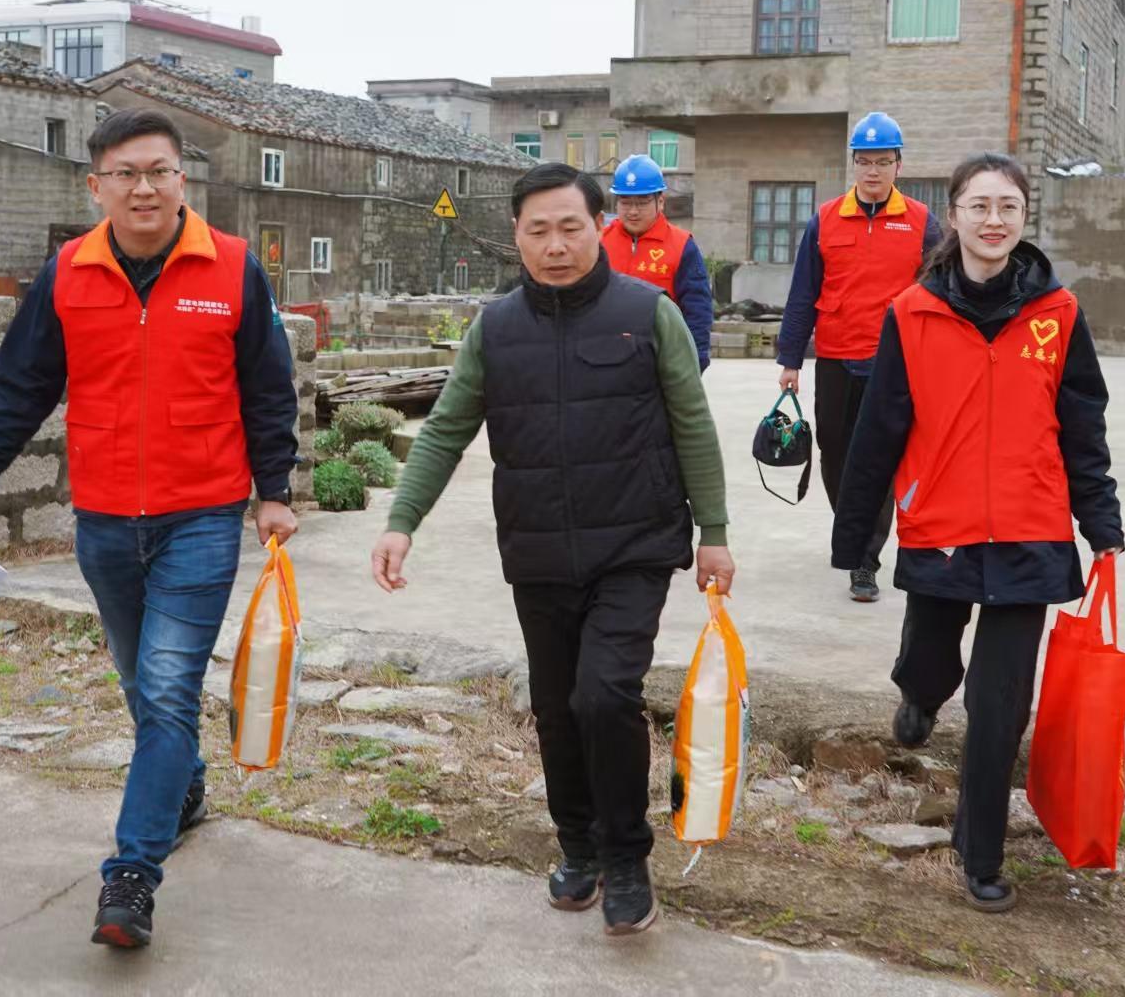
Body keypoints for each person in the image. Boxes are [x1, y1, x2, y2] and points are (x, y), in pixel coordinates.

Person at [0, 108, 299, 950]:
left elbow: (268, 388)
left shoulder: (234, 268)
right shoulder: (66, 274)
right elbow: (16, 388)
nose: (145, 187)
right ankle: (185, 787)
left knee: (168, 689)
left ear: (183, 180)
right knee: (144, 685)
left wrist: (272, 489)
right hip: (101, 520)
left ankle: (131, 875)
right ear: (95, 185)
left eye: (160, 171)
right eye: (126, 173)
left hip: (202, 515)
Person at [368, 162, 733, 938]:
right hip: (537, 547)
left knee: (604, 695)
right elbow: (444, 429)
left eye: (571, 227)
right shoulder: (495, 329)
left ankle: (628, 857)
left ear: (598, 227)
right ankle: (580, 848)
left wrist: (716, 534)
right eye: (539, 230)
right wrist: (403, 520)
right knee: (557, 710)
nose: (556, 245)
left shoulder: (647, 313)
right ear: (516, 236)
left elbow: (693, 424)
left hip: (635, 541)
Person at [829, 152, 1122, 914]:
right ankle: (918, 695)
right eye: (980, 206)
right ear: (951, 215)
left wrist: (1102, 522)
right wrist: (856, 534)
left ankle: (980, 849)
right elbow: (879, 430)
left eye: (1009, 208)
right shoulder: (911, 312)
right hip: (941, 527)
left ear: (1025, 219)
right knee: (932, 661)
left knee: (1001, 705)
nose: (995, 221)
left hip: (1031, 529)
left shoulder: (1057, 314)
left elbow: (1082, 425)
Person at [775, 111, 942, 603]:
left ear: (898, 164)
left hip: (895, 363)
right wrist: (790, 359)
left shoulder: (920, 222)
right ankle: (852, 524)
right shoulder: (825, 219)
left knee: (881, 461)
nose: (873, 171)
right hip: (834, 357)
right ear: (853, 164)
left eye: (883, 162)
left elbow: (939, 291)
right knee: (835, 455)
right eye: (864, 162)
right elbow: (803, 292)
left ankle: (864, 560)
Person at [601, 154, 714, 370]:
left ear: (660, 201)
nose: (633, 211)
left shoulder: (682, 245)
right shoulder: (599, 242)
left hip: (660, 361)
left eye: (642, 203)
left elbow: (698, 311)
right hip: (604, 360)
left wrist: (695, 363)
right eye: (625, 202)